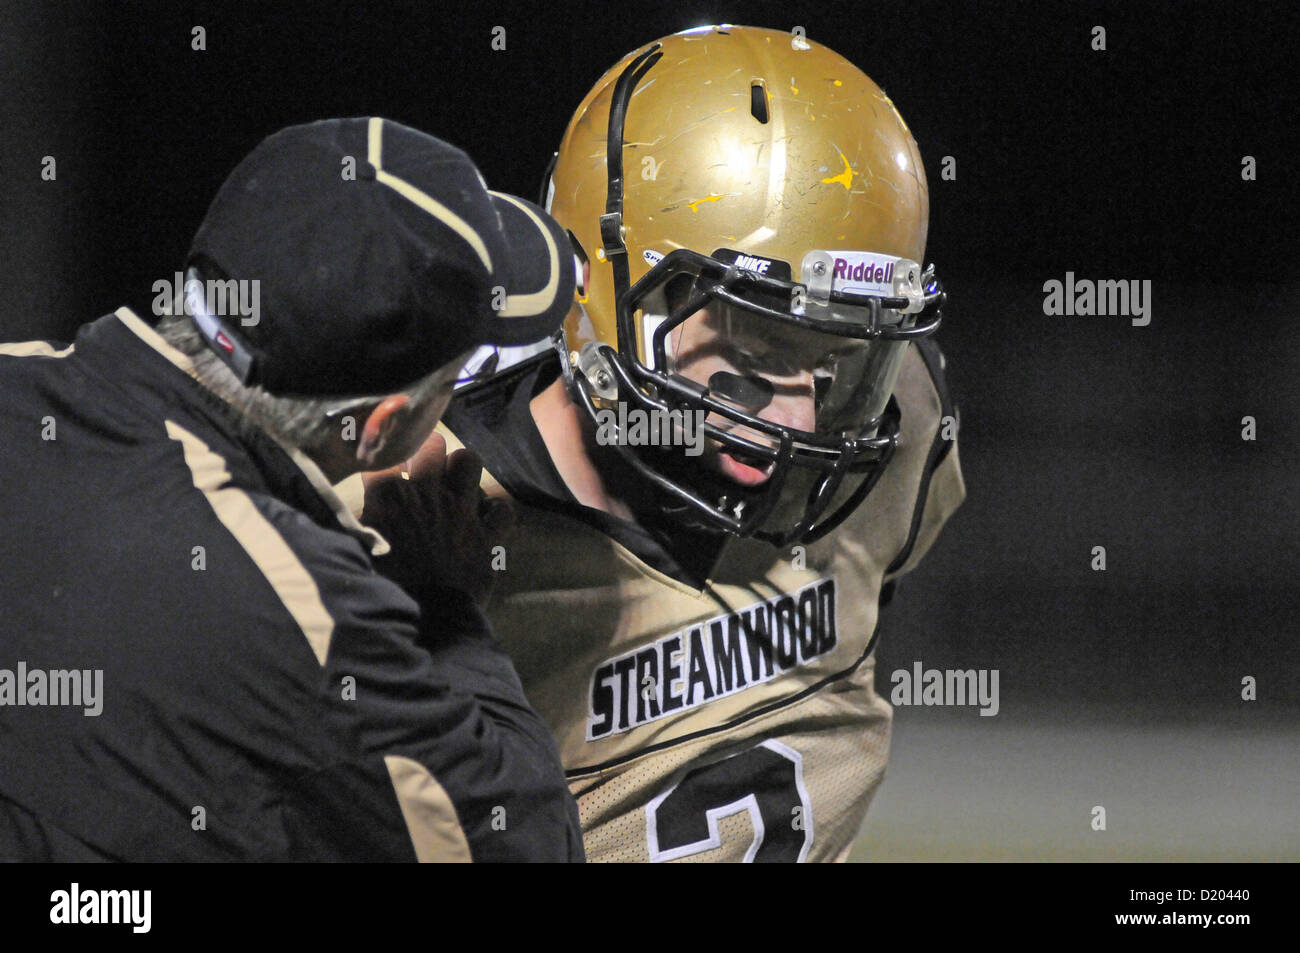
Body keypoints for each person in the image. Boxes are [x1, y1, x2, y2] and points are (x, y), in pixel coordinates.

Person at [439, 26, 966, 861]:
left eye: (835, 361)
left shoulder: (902, 426)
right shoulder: (443, 512)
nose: (797, 423)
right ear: (595, 291)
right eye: (754, 351)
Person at [0, 117, 584, 862]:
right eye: (455, 378)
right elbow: (528, 845)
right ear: (379, 427)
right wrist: (441, 605)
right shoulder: (314, 613)